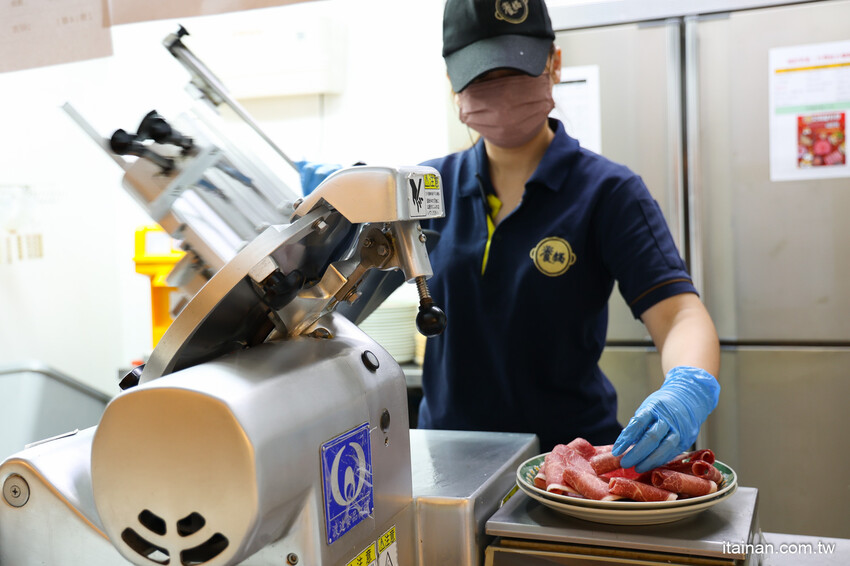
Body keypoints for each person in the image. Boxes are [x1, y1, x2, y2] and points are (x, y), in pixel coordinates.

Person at [299, 0, 720, 474]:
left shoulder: (608, 192)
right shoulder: (423, 191)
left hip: (571, 466)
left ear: (554, 65)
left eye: (516, 73)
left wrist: (686, 388)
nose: (500, 94)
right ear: (453, 85)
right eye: (482, 79)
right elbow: (332, 300)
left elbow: (679, 312)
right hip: (448, 464)